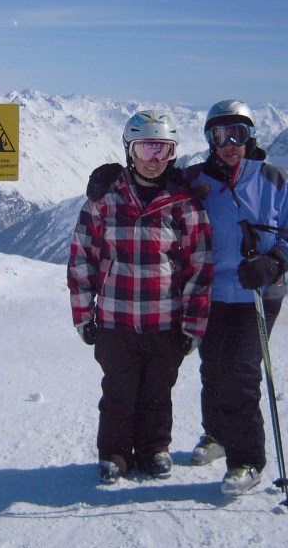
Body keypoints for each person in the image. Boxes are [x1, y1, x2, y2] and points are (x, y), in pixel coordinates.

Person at [85, 100, 288, 496]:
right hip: (207, 293)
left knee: (239, 375)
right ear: (208, 139)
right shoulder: (195, 178)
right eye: (218, 135)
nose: (228, 143)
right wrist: (110, 176)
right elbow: (153, 178)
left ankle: (246, 460)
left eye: (237, 134)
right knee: (211, 369)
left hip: (255, 292)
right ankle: (217, 434)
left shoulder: (273, 180)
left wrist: (276, 261)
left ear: (249, 136)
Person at [67, 110, 214, 484]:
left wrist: (193, 325)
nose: (153, 160)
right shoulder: (104, 202)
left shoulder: (184, 204)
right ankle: (115, 453)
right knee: (118, 390)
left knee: (158, 390)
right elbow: (82, 259)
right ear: (129, 150)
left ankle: (154, 449)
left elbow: (200, 267)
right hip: (116, 320)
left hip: (165, 320)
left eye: (162, 150)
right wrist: (84, 316)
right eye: (145, 148)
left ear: (173, 154)